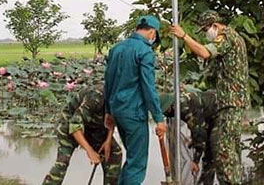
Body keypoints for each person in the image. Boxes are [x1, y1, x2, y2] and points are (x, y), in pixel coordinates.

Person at [170, 10, 248, 185]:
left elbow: (205, 53)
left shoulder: (226, 37)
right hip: (230, 102)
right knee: (230, 149)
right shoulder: (233, 38)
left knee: (224, 150)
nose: (206, 34)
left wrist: (184, 36)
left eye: (206, 30)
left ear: (215, 25)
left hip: (231, 102)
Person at [104, 14, 167, 184]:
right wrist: (159, 119)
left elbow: (108, 82)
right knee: (137, 164)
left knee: (132, 159)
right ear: (152, 32)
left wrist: (108, 111)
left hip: (117, 111)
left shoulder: (116, 49)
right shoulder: (144, 51)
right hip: (134, 113)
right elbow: (148, 87)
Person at [43, 82, 121, 185]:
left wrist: (108, 140)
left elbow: (112, 119)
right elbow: (75, 125)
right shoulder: (96, 96)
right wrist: (90, 151)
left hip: (95, 126)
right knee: (63, 161)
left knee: (114, 153)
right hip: (70, 123)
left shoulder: (122, 99)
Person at [158, 87, 218, 185]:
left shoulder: (184, 107)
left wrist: (195, 161)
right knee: (208, 153)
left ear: (169, 107)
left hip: (219, 110)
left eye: (166, 112)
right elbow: (196, 124)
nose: (167, 115)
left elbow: (199, 132)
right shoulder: (179, 101)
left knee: (214, 148)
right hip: (209, 116)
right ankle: (206, 181)